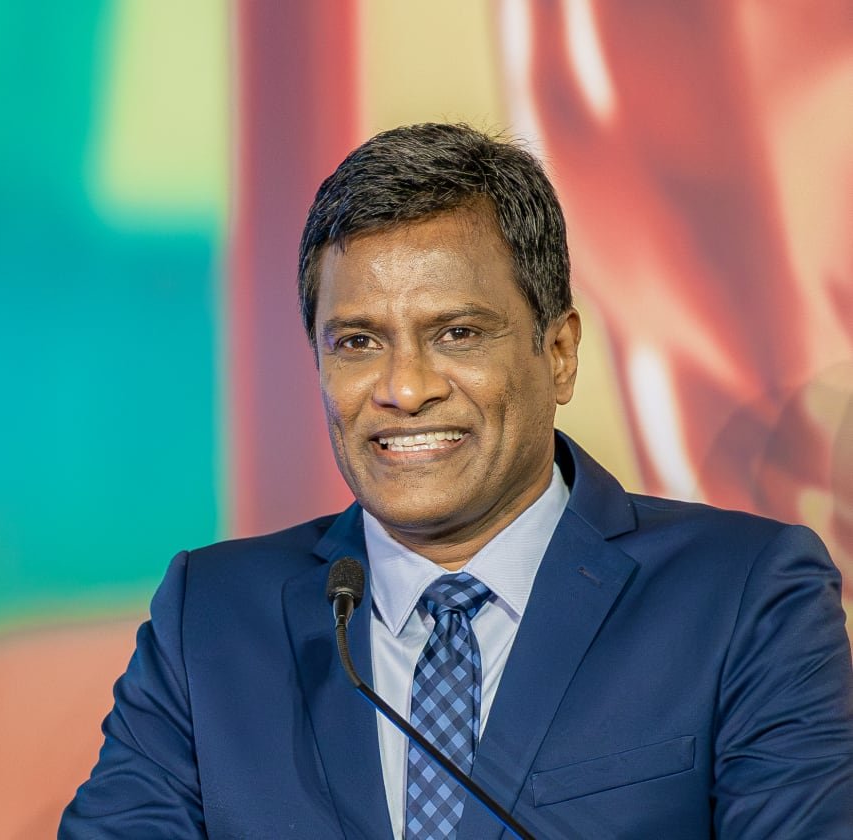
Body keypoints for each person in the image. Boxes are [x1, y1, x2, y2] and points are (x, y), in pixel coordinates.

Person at [59, 123, 853, 839]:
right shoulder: (210, 619)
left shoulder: (744, 595)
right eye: (358, 342)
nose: (405, 389)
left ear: (560, 352)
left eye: (458, 333)